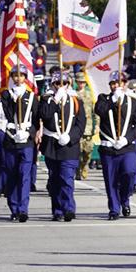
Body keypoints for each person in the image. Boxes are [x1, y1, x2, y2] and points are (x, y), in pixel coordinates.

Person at [94, 71, 136, 220]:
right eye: (113, 83)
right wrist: (112, 101)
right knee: (111, 180)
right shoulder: (103, 99)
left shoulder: (133, 101)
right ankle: (114, 209)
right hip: (109, 147)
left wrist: (127, 139)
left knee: (130, 172)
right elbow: (100, 111)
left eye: (120, 83)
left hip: (126, 146)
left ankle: (124, 198)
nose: (116, 86)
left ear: (125, 84)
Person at [38, 72, 86, 222]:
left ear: (69, 84)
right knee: (54, 180)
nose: (61, 86)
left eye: (64, 83)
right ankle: (57, 210)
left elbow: (81, 123)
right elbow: (44, 115)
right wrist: (55, 99)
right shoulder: (46, 99)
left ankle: (69, 209)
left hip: (69, 146)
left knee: (67, 178)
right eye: (57, 83)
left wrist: (70, 137)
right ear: (53, 85)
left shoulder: (76, 100)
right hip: (52, 144)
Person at [0, 66, 40, 222]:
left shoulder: (31, 97)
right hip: (11, 139)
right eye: (15, 76)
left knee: (24, 175)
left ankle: (23, 209)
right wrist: (13, 98)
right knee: (12, 175)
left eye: (21, 76)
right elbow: (8, 113)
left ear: (25, 78)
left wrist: (30, 132)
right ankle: (14, 207)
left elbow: (36, 119)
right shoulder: (6, 94)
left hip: (26, 142)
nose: (18, 79)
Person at [75, 71, 96, 180]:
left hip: (88, 127)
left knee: (88, 150)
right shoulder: (73, 94)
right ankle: (78, 170)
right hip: (76, 127)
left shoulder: (89, 95)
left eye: (83, 82)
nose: (81, 84)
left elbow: (95, 111)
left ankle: (84, 165)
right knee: (77, 151)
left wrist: (97, 125)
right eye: (79, 82)